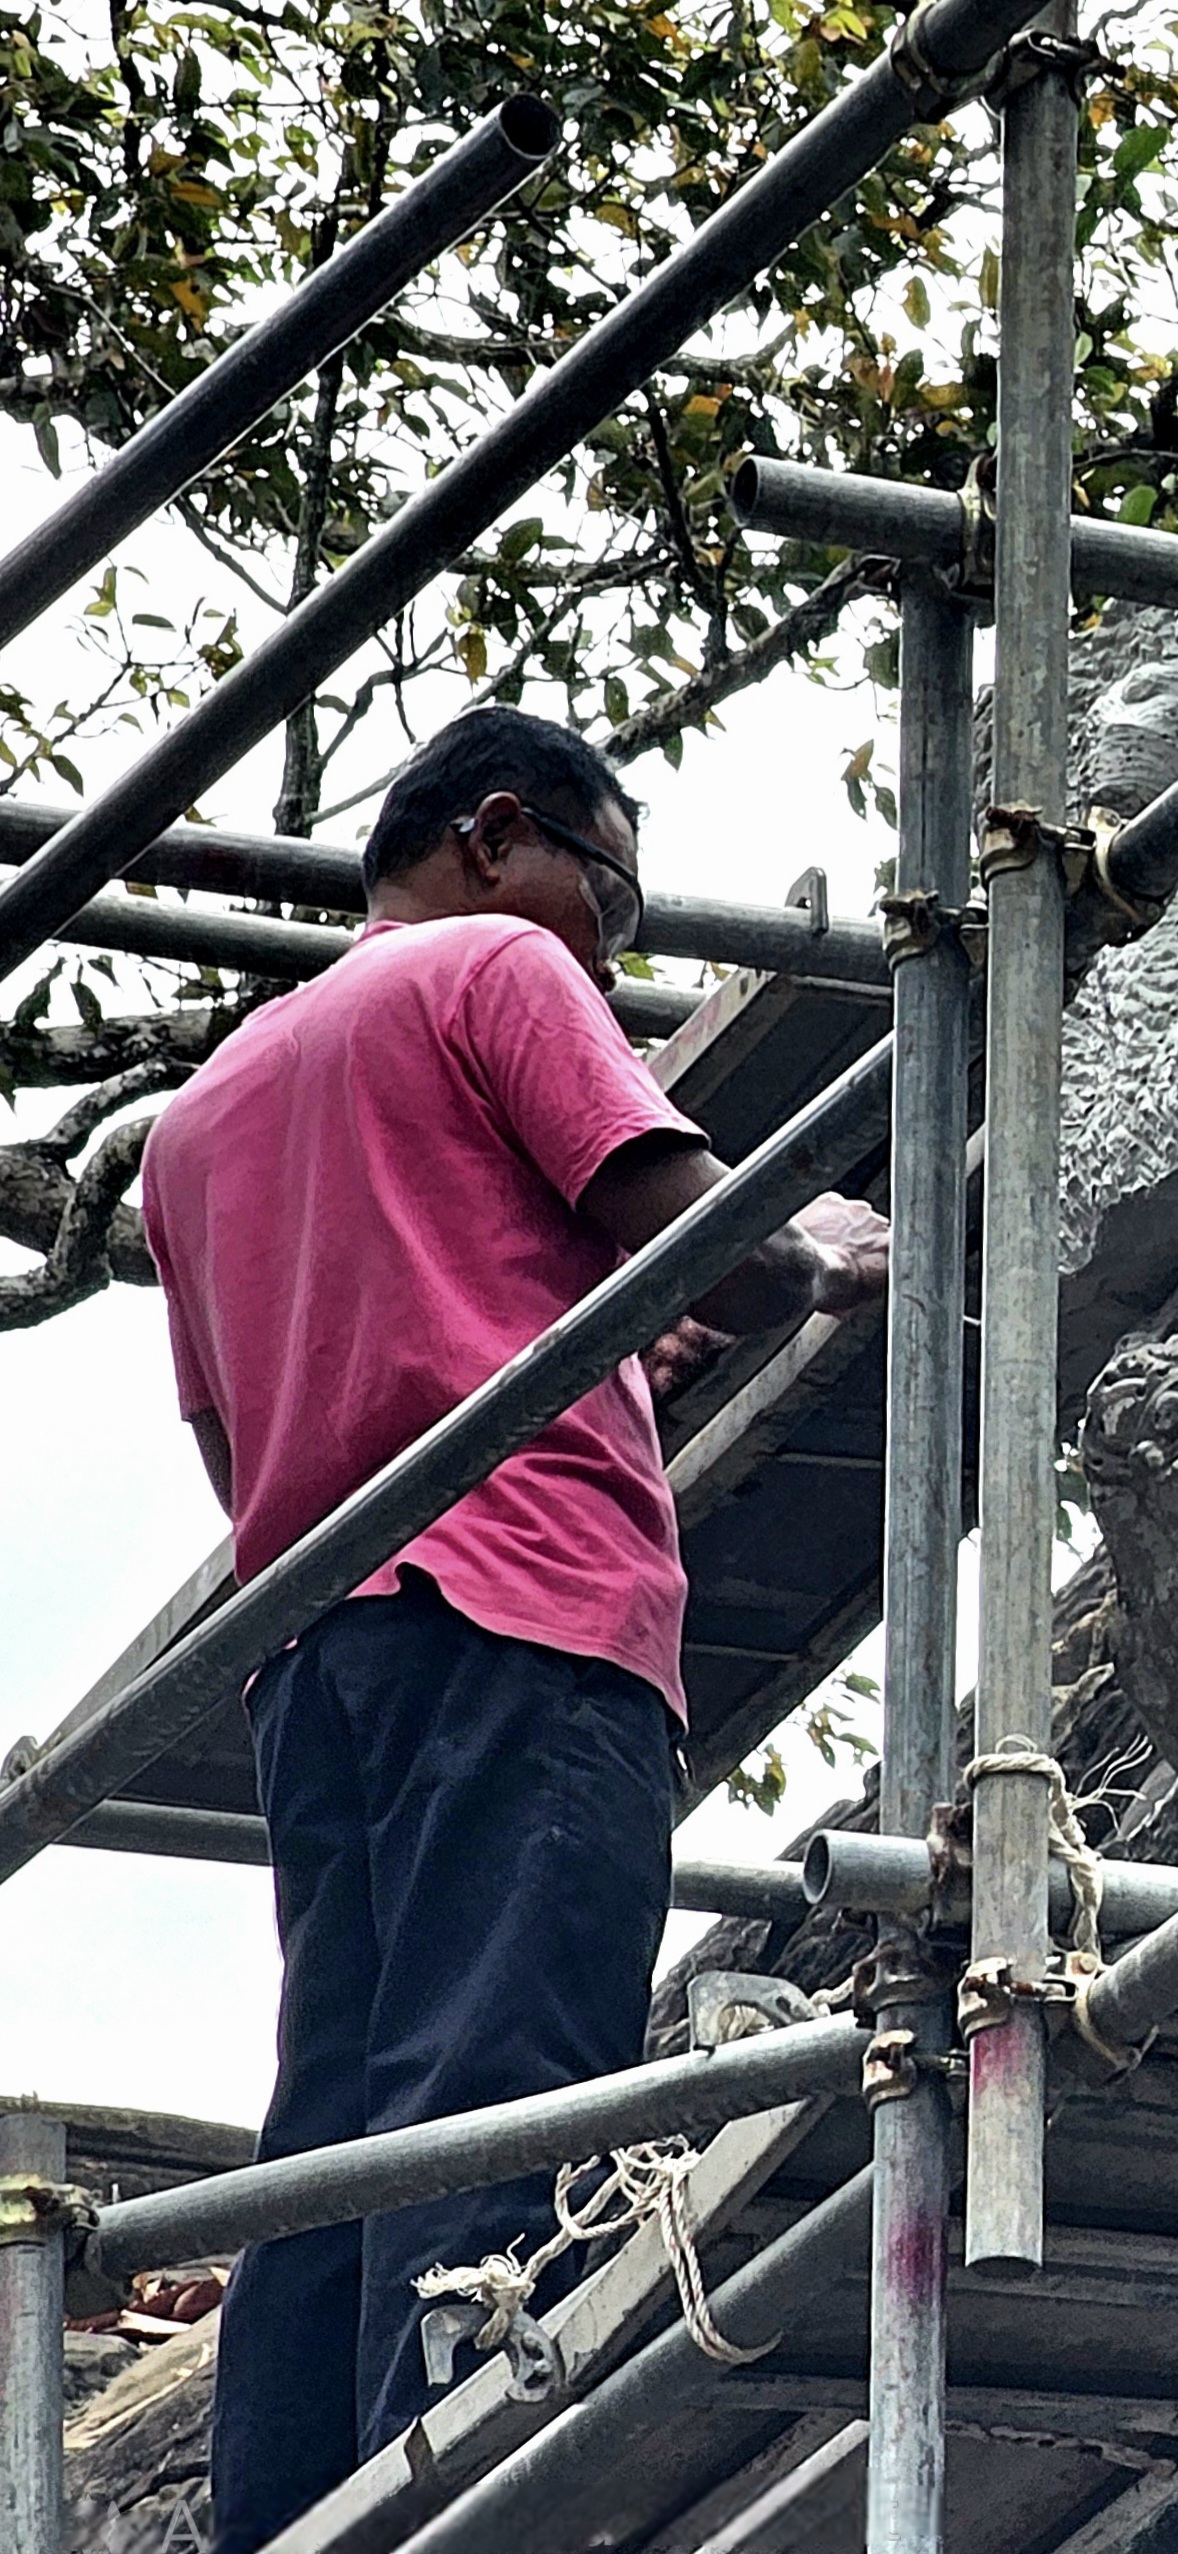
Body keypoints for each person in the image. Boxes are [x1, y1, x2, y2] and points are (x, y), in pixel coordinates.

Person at [134, 707, 892, 2551]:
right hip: (530, 1604)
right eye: (608, 897)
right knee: (501, 2065)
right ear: (495, 833)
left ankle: (284, 2511)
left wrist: (594, 1330)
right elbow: (694, 1222)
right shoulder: (496, 961)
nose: (608, 951)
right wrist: (823, 1244)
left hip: (322, 1650)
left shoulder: (201, 1117)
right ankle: (442, 2494)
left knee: (342, 2106)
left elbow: (268, 1425)